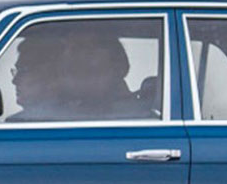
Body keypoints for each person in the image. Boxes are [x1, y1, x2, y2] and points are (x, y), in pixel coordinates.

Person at [8, 26, 157, 122]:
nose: (71, 60)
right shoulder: (55, 114)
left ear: (115, 62)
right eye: (70, 50)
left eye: (84, 49)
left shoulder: (139, 115)